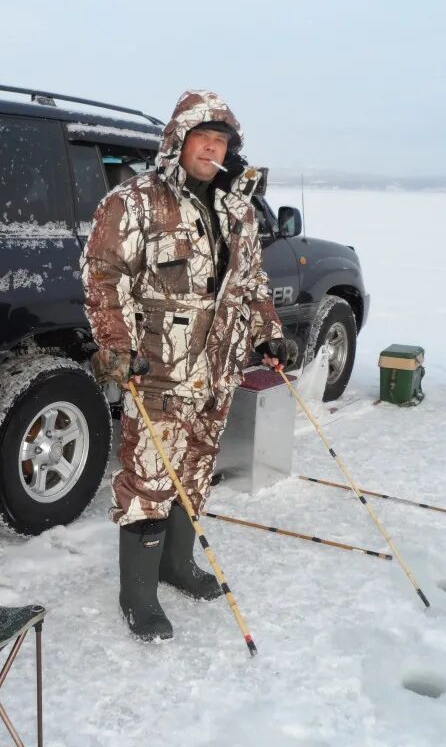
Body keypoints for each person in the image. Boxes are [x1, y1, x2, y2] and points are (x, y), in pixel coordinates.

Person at [81, 90, 298, 642]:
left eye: (222, 140)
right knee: (150, 477)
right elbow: (103, 279)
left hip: (217, 368)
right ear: (178, 140)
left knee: (195, 471)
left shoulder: (237, 208)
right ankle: (139, 594)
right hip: (159, 368)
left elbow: (250, 283)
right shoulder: (134, 202)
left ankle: (177, 565)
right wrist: (116, 345)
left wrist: (270, 335)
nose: (213, 148)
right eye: (204, 137)